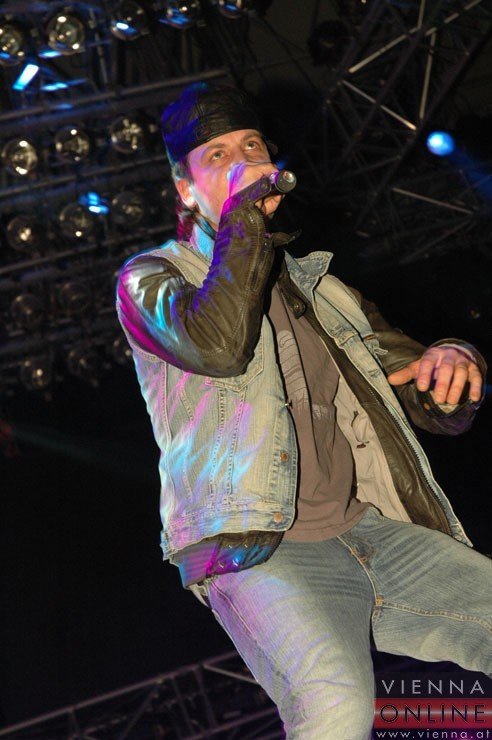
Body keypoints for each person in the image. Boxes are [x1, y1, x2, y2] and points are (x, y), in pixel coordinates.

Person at [116, 82, 491, 739]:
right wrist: (243, 219)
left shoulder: (324, 289)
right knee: (337, 706)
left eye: (252, 147)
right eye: (217, 155)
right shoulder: (150, 280)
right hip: (257, 548)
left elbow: (418, 388)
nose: (242, 161)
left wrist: (456, 360)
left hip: (368, 530)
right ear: (185, 191)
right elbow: (218, 344)